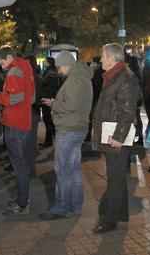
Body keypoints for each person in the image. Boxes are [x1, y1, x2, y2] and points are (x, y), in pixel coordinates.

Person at [39, 52, 93, 219]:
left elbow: (70, 105)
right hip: (78, 127)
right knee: (74, 168)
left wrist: (54, 103)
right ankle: (75, 205)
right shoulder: (82, 76)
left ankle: (62, 207)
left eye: (60, 67)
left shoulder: (75, 79)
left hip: (69, 129)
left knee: (63, 170)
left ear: (67, 64)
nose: (59, 70)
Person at [91, 43, 137, 233]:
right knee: (117, 177)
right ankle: (122, 213)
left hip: (115, 136)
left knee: (114, 179)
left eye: (103, 56)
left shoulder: (123, 78)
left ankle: (110, 220)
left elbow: (127, 111)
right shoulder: (114, 76)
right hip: (111, 133)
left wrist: (118, 137)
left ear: (112, 58)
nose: (101, 59)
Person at [0, 47, 36, 215]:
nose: (1, 67)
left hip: (14, 123)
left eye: (2, 62)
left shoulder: (14, 71)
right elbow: (31, 98)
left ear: (9, 57)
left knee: (19, 165)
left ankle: (22, 203)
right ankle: (23, 199)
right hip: (23, 121)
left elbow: (16, 98)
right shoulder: (26, 67)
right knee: (22, 163)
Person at [39, 57, 61, 147]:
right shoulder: (52, 71)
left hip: (48, 98)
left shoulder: (50, 73)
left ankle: (52, 139)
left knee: (48, 120)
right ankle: (49, 140)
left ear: (48, 63)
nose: (43, 62)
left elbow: (43, 82)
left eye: (45, 61)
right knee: (48, 120)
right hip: (50, 97)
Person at [127, 55, 144, 144]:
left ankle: (133, 137)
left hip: (133, 99)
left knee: (133, 119)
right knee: (137, 117)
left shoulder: (131, 74)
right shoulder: (138, 72)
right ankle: (139, 136)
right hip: (138, 99)